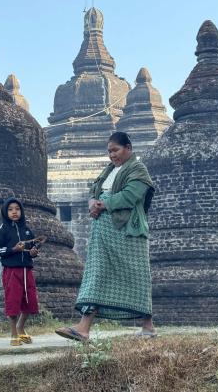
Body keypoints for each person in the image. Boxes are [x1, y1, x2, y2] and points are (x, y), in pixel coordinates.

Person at [55, 132, 156, 342]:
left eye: (115, 150)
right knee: (97, 272)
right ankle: (83, 327)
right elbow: (95, 190)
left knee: (137, 276)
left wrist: (105, 204)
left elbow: (131, 195)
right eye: (109, 151)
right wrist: (93, 202)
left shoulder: (138, 169)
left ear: (128, 148)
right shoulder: (109, 170)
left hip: (128, 232)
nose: (112, 155)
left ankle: (148, 326)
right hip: (104, 231)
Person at [0, 197, 46, 346]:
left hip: (26, 271)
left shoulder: (27, 230)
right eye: (10, 209)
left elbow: (32, 249)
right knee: (13, 301)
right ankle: (13, 334)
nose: (14, 212)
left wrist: (33, 252)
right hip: (12, 271)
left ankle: (21, 328)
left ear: (21, 211)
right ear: (5, 212)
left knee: (30, 301)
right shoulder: (3, 230)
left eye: (17, 209)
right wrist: (13, 249)